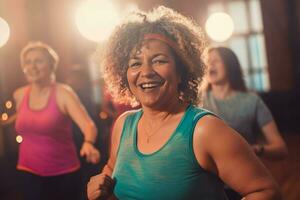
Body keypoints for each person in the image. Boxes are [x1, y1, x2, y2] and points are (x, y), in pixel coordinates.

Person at [87, 6, 281, 200]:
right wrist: (100, 185)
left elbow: (266, 191)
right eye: (135, 63)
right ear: (124, 74)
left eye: (159, 60)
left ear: (181, 71)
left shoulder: (204, 130)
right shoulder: (124, 125)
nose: (146, 72)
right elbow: (112, 169)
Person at [13, 41, 100, 200]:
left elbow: (88, 125)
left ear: (52, 65)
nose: (32, 66)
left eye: (38, 61)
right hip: (27, 170)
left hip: (62, 173)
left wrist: (88, 143)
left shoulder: (63, 93)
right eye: (28, 62)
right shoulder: (19, 95)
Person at [202, 46, 288, 199]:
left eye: (216, 61)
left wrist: (257, 149)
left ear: (230, 64)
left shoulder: (251, 101)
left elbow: (281, 148)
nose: (210, 65)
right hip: (205, 185)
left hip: (241, 185)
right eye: (208, 61)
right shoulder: (198, 100)